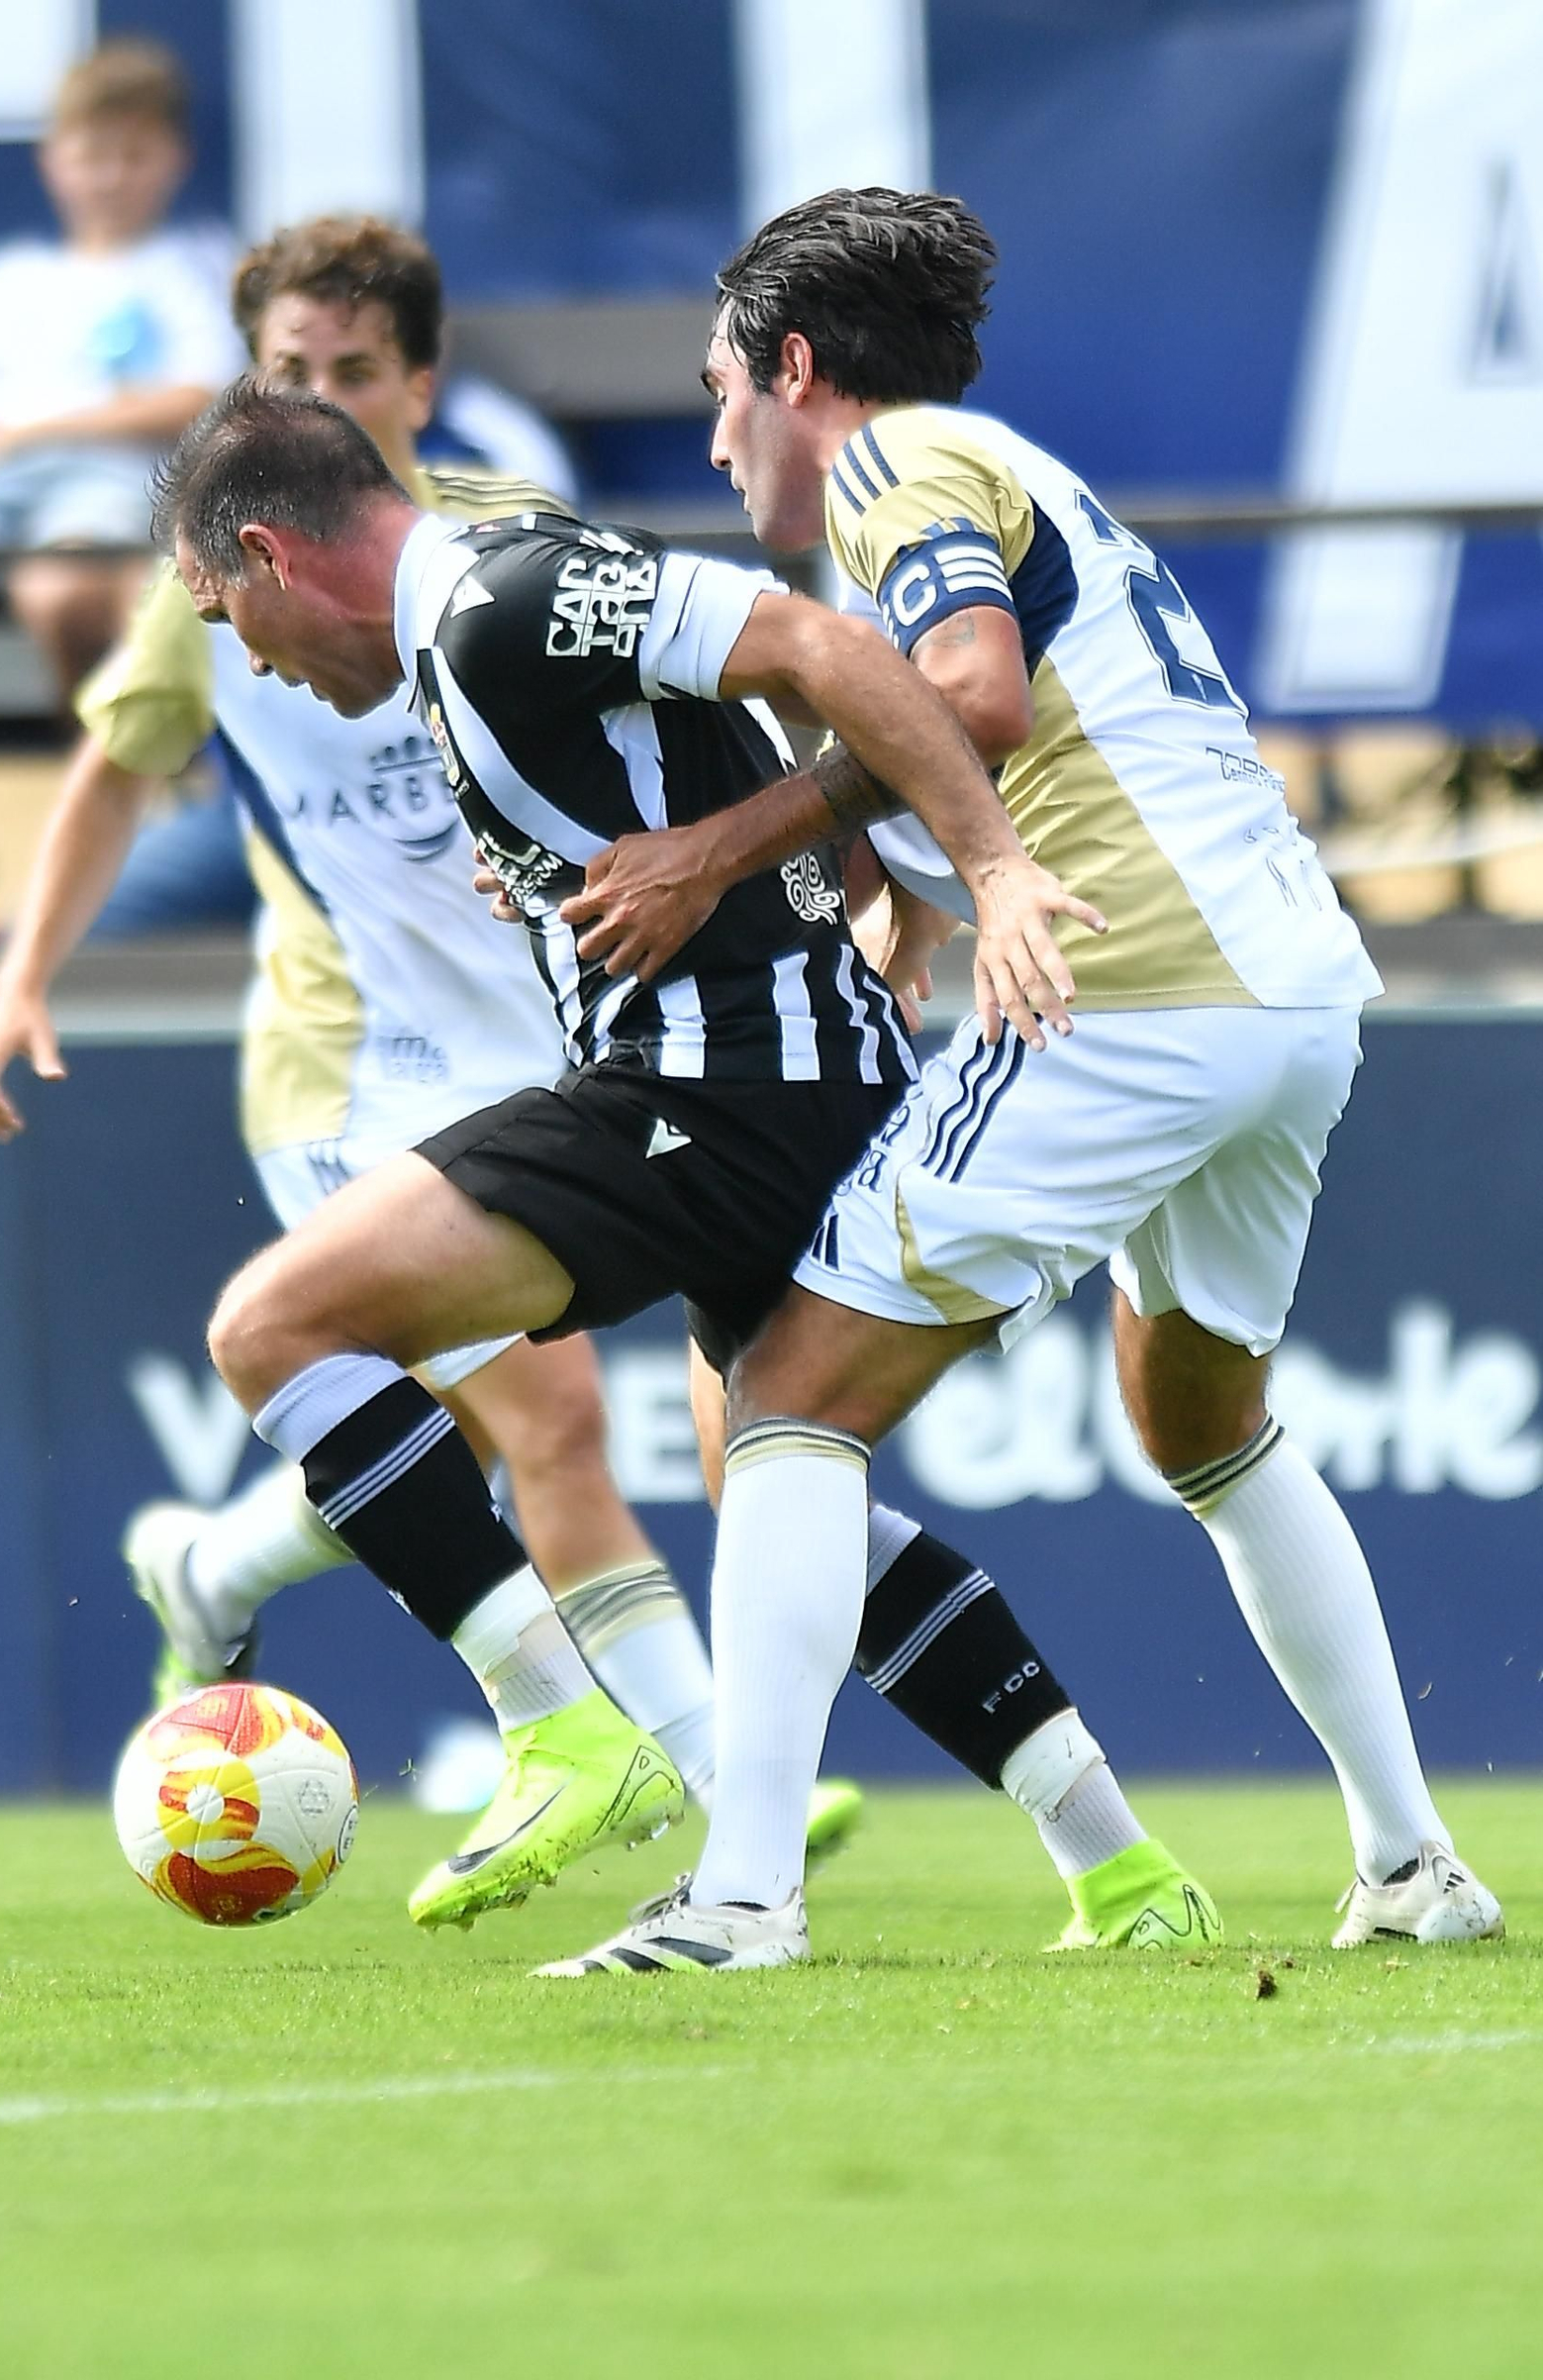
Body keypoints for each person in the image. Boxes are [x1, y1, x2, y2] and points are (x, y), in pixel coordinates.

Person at [538, 187, 1503, 1975]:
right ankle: (1411, 1857)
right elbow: (997, 734)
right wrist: (890, 901)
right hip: (1290, 986)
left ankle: (744, 1893)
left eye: (720, 388)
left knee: (785, 1396)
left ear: (797, 366)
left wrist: (712, 851)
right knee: (1205, 1421)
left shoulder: (899, 465)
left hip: (1127, 986)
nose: (716, 431)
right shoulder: (1009, 469)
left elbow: (971, 696)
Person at [147, 375, 1220, 1949]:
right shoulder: (483, 633)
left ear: (267, 552)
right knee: (792, 1495)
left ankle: (561, 1722)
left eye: (222, 612)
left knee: (276, 1327)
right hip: (766, 1076)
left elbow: (827, 648)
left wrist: (970, 870)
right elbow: (734, 721)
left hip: (721, 1086)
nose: (247, 659)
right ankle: (1124, 1872)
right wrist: (652, 857)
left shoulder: (500, 594)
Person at [0, 215, 742, 1868]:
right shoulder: (213, 576)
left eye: (354, 370)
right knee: (552, 1423)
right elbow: (113, 770)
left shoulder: (513, 544)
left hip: (541, 1048)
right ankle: (700, 1772)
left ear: (421, 381)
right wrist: (25, 969)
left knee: (464, 1429)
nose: (323, 392)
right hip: (343, 1064)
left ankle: (219, 1571)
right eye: (289, 370)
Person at [0, 40, 238, 704]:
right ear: (53, 161)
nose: (111, 177)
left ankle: (102, 760)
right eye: (92, 156)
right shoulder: (10, 281)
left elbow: (200, 396)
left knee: (62, 590)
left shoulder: (193, 269)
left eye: (134, 156)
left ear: (176, 160)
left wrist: (35, 432)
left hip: (119, 479)